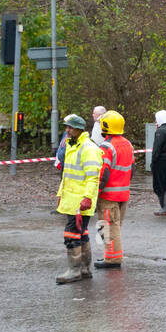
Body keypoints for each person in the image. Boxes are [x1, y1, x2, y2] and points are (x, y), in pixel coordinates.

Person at [55, 114, 101, 284]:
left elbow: (92, 178)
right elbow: (67, 175)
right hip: (72, 200)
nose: (67, 130)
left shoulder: (88, 149)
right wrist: (60, 193)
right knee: (81, 234)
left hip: (80, 202)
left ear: (79, 129)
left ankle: (75, 270)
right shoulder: (72, 146)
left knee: (72, 234)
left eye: (70, 127)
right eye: (66, 127)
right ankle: (84, 269)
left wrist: (87, 198)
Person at [93, 110, 133, 269]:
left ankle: (112, 259)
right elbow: (131, 169)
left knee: (108, 226)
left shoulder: (107, 147)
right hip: (123, 193)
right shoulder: (128, 144)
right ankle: (111, 256)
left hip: (109, 195)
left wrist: (95, 193)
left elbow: (103, 173)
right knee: (115, 225)